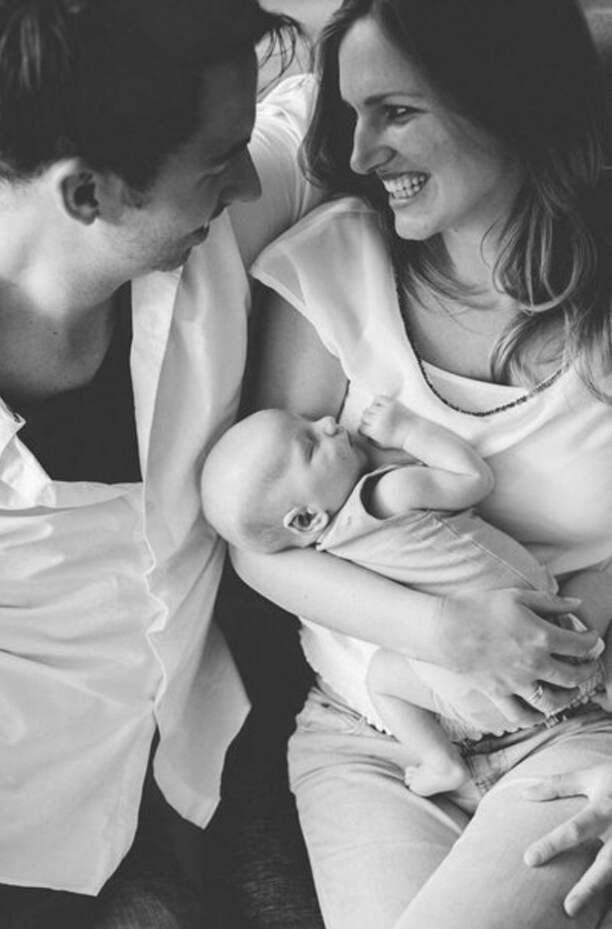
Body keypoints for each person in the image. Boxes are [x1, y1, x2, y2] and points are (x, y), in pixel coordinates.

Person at [230, 0, 612, 925]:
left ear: (513, 102)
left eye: (397, 112)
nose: (362, 155)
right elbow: (262, 544)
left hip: (573, 724)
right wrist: (448, 632)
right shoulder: (331, 267)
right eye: (352, 115)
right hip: (373, 735)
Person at [0, 1, 326, 926]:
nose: (245, 185)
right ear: (87, 194)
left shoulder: (218, 225)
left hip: (201, 762)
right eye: (218, 164)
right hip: (16, 829)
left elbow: (339, 97)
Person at [202, 397, 609, 796]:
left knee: (381, 679)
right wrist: (410, 432)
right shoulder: (388, 494)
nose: (326, 421)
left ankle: (440, 761)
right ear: (306, 518)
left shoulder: (330, 555)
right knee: (600, 581)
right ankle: (602, 678)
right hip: (554, 631)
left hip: (467, 697)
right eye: (310, 444)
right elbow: (474, 478)